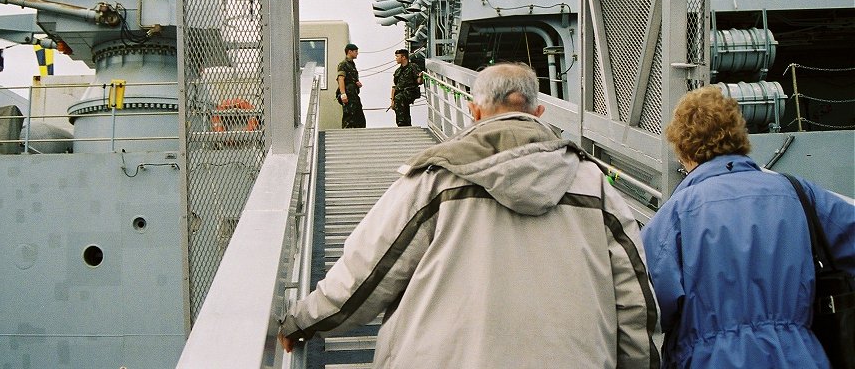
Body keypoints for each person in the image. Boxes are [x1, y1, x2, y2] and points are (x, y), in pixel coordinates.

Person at [279, 63, 660, 368]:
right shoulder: (595, 186)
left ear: (473, 110)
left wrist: (303, 321)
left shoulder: (435, 179)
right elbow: (635, 300)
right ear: (538, 111)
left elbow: (366, 275)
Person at [640, 86, 855, 368]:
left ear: (684, 151)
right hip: (799, 357)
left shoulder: (675, 216)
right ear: (739, 134)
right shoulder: (798, 193)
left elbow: (647, 307)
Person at [336, 43, 365, 128]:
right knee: (349, 118)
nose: (357, 53)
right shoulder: (343, 64)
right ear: (349, 51)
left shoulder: (352, 65)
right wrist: (343, 94)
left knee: (359, 118)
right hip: (348, 94)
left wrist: (356, 83)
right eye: (355, 51)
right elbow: (340, 78)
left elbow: (350, 78)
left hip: (354, 94)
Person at [390, 48, 422, 127]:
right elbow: (395, 87)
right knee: (401, 104)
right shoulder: (398, 71)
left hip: (410, 91)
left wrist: (420, 77)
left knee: (399, 98)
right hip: (400, 94)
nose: (396, 58)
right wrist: (392, 100)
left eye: (397, 56)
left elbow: (419, 81)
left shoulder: (413, 67)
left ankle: (402, 123)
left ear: (403, 57)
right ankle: (405, 124)